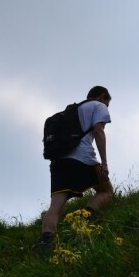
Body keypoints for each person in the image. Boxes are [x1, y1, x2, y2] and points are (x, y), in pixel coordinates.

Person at [40, 86, 114, 253]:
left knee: (55, 207)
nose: (107, 108)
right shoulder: (99, 106)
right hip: (83, 158)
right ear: (103, 97)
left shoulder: (73, 110)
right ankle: (86, 218)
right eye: (108, 104)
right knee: (106, 191)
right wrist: (104, 164)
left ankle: (46, 243)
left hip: (59, 161)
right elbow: (99, 131)